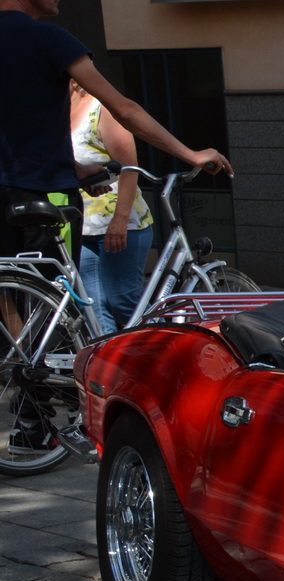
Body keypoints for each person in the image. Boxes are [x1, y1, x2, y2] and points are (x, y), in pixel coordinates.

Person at [2, 0, 230, 454]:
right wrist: (190, 155)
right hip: (43, 192)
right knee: (51, 303)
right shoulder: (50, 38)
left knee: (14, 302)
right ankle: (39, 422)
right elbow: (123, 107)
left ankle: (31, 401)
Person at [69, 81, 153, 334]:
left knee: (124, 303)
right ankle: (109, 369)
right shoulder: (55, 113)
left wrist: (120, 220)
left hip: (121, 223)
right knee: (91, 308)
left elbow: (129, 169)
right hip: (82, 225)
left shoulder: (101, 109)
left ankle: (164, 352)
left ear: (74, 80)